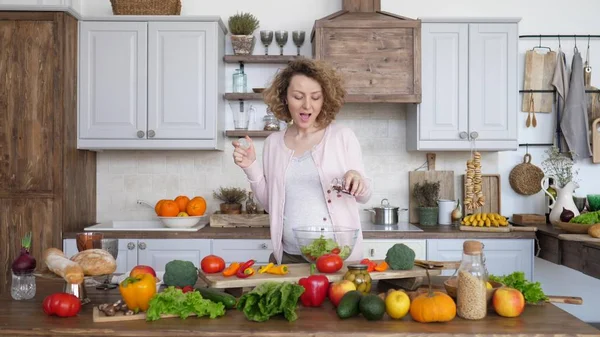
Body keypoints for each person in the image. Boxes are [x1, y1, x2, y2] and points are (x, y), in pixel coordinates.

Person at [232, 58, 372, 264]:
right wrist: (250, 167)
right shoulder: (273, 143)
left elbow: (366, 195)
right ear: (285, 97)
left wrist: (357, 180)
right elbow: (273, 204)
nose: (307, 105)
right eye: (298, 96)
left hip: (338, 258)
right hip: (290, 257)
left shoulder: (342, 136)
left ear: (325, 99)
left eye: (315, 97)